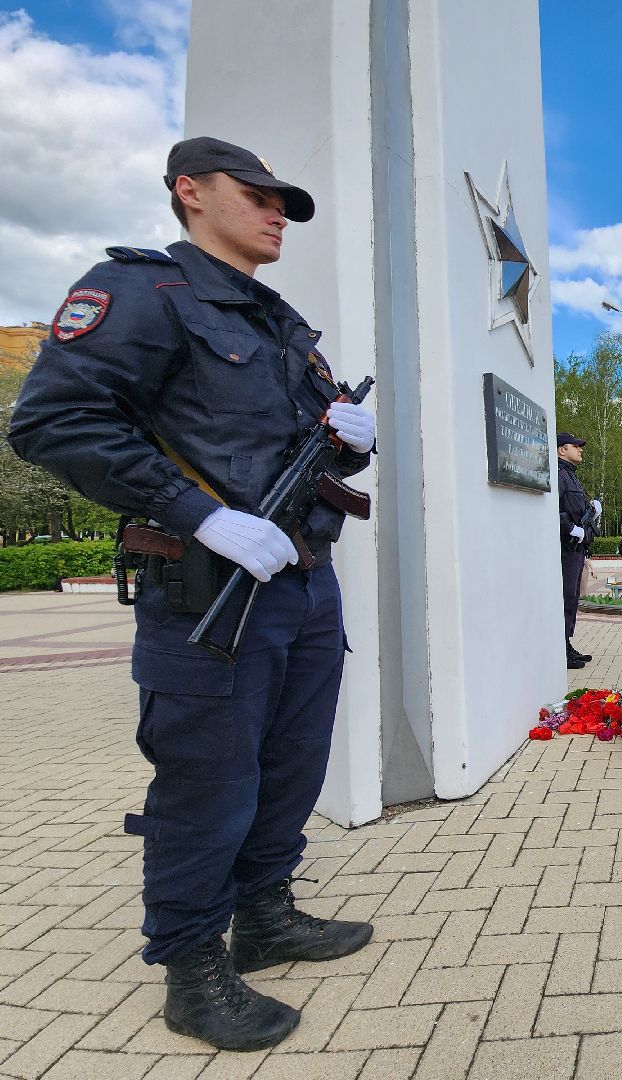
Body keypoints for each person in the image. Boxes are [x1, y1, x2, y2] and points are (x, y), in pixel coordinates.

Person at [7, 137, 376, 1052]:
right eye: (257, 195)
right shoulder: (141, 292)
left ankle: (266, 916)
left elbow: (301, 452)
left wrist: (351, 444)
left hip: (302, 582)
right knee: (209, 781)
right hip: (205, 588)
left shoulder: (281, 321)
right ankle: (191, 968)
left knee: (292, 762)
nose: (277, 213)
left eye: (284, 203)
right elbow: (53, 421)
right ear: (190, 191)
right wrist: (198, 515)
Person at [557, 432, 598, 669]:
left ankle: (566, 643)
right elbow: (555, 510)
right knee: (565, 597)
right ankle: (561, 648)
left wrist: (591, 511)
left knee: (572, 597)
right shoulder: (559, 474)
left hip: (575, 547)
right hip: (566, 546)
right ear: (562, 450)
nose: (580, 449)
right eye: (576, 446)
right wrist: (571, 528)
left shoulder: (571, 475)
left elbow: (575, 510)